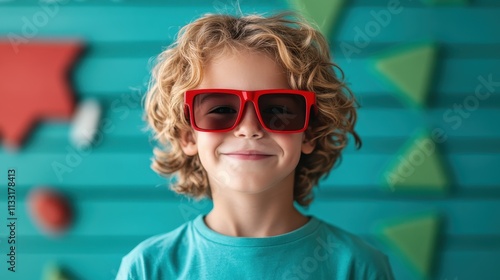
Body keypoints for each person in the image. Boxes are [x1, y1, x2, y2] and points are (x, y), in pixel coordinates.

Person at [116, 11, 395, 280]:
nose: (249, 129)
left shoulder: (358, 266)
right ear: (188, 135)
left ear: (309, 133)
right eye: (221, 109)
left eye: (278, 110)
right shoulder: (147, 268)